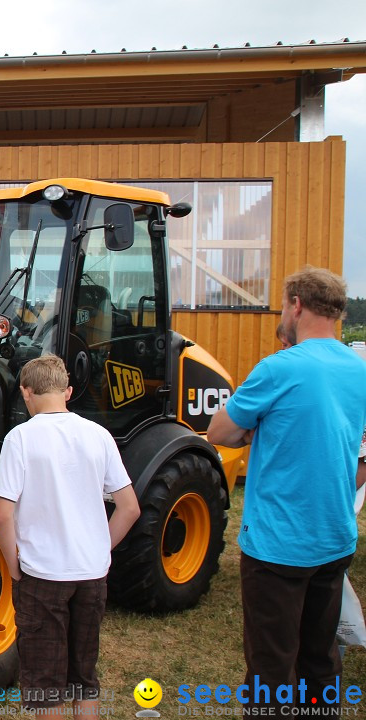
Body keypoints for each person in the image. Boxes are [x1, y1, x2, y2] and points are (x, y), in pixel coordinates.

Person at [209, 266, 366, 709]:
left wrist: (254, 431)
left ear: (296, 305)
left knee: (272, 668)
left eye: (283, 306)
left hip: (278, 545)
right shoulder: (359, 369)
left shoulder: (277, 368)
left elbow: (219, 431)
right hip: (334, 538)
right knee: (320, 658)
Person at [0, 355, 140, 715]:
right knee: (84, 676)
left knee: (45, 684)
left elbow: (3, 515)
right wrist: (100, 548)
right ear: (68, 391)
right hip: (91, 574)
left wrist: (13, 567)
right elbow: (130, 507)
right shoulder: (99, 435)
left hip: (42, 576)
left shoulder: (20, 438)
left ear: (26, 392)